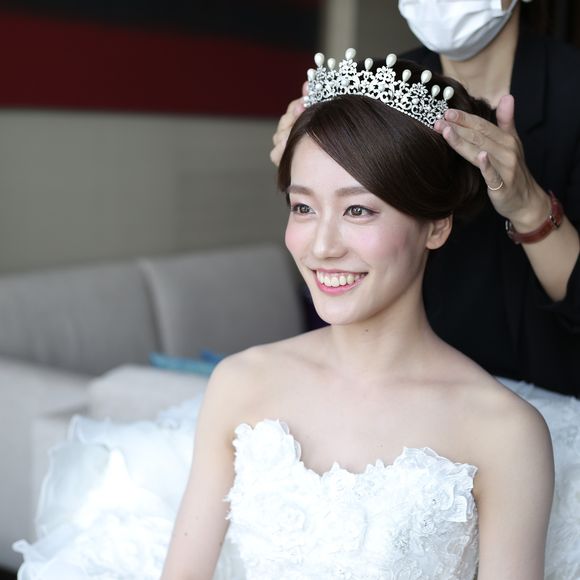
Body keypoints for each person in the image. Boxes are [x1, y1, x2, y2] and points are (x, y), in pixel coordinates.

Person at [161, 55, 554, 579]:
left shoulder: (504, 432)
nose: (322, 246)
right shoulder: (239, 383)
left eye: (358, 210)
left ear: (436, 226)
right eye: (303, 208)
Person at [270, 0, 580, 397]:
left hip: (547, 386)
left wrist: (528, 206)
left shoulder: (571, 92)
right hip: (401, 383)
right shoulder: (387, 84)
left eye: (358, 208)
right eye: (301, 207)